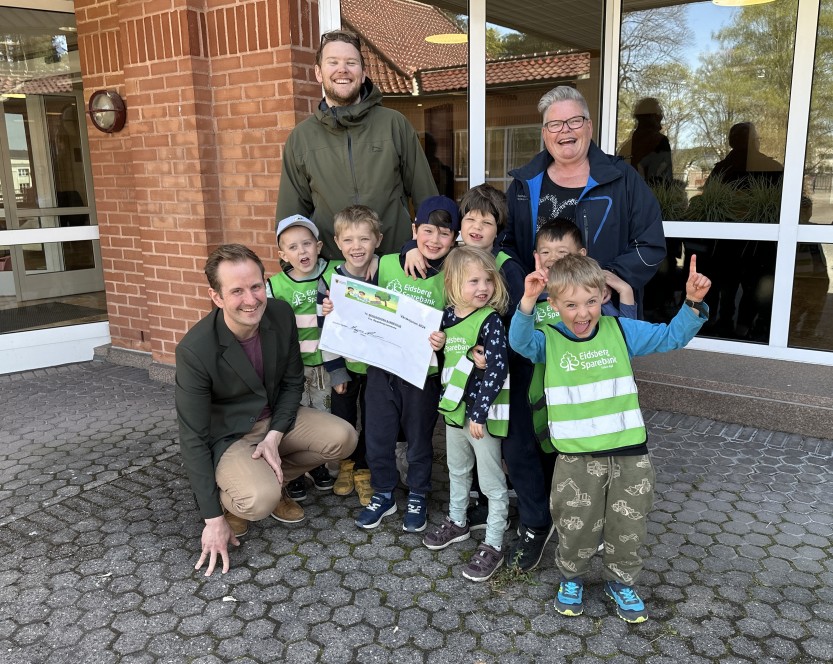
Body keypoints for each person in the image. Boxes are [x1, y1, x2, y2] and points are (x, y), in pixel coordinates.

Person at [509, 252, 711, 623]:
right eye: (570, 305)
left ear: (603, 295)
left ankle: (622, 581)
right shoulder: (548, 339)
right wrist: (525, 302)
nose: (582, 313)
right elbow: (520, 343)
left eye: (590, 301)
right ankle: (571, 578)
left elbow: (671, 337)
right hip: (575, 457)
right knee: (575, 521)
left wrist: (693, 303)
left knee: (628, 524)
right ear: (553, 305)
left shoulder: (621, 331)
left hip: (629, 454)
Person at [175, 244, 357, 576]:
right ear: (217, 298)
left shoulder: (280, 313)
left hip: (274, 421)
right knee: (258, 500)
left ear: (265, 281)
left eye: (256, 286)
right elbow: (193, 438)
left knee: (343, 438)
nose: (251, 299)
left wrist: (274, 436)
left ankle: (270, 480)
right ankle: (233, 494)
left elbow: (291, 382)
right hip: (230, 437)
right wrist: (212, 518)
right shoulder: (195, 351)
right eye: (237, 291)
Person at [503, 86, 666, 316]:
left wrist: (609, 276)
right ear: (544, 133)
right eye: (555, 124)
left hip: (602, 315)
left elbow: (650, 243)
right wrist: (524, 286)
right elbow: (502, 243)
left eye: (575, 121)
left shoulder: (623, 179)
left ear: (589, 126)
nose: (565, 130)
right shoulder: (524, 183)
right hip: (538, 318)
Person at [276, 29, 438, 259]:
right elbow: (290, 216)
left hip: (395, 263)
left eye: (350, 62)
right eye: (333, 62)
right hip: (333, 269)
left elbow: (426, 197)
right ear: (318, 73)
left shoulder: (394, 124)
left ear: (363, 74)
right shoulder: (301, 138)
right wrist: (294, 271)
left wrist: (426, 250)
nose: (342, 69)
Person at [355, 196, 458, 533]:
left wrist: (443, 339)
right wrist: (333, 309)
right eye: (427, 231)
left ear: (455, 237)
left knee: (418, 439)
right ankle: (383, 492)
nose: (434, 240)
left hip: (423, 374)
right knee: (378, 436)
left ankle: (418, 493)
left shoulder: (452, 276)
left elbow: (456, 322)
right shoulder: (384, 264)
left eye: (445, 233)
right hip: (382, 370)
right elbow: (361, 303)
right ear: (415, 230)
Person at [423, 246, 510, 582]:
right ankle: (458, 521)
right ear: (453, 282)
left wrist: (478, 413)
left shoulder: (489, 321)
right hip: (453, 413)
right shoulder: (445, 317)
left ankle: (494, 543)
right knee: (457, 470)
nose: (482, 287)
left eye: (488, 280)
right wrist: (436, 343)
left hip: (479, 420)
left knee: (491, 483)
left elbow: (497, 369)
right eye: (473, 281)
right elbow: (445, 360)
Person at [267, 215, 343, 502]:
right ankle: (296, 472)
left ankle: (318, 465)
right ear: (282, 254)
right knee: (296, 420)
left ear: (319, 245)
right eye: (293, 247)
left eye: (307, 244)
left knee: (323, 418)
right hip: (295, 368)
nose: (302, 252)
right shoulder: (275, 286)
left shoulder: (335, 272)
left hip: (327, 365)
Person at [317, 205, 384, 506]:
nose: (356, 247)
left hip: (378, 367)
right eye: (348, 240)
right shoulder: (329, 279)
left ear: (377, 240)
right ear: (337, 242)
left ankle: (364, 469)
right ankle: (345, 465)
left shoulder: (386, 271)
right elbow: (325, 329)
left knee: (373, 420)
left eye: (364, 239)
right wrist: (335, 370)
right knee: (343, 418)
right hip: (345, 365)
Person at [617, 97, 673, 184]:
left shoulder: (627, 147)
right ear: (650, 117)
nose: (661, 116)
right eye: (658, 113)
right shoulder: (660, 142)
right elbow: (664, 182)